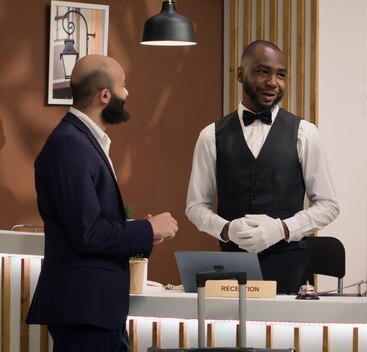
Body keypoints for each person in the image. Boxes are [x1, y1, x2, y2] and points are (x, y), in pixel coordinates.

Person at [26, 55, 179, 352]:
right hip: (85, 310)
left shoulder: (83, 141)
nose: (128, 93)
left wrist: (142, 230)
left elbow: (88, 224)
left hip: (95, 310)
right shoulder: (70, 144)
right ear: (105, 96)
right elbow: (87, 233)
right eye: (123, 86)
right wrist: (147, 228)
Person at [186, 40, 339, 294]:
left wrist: (282, 228)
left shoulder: (305, 133)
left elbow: (328, 205)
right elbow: (195, 206)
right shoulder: (210, 136)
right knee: (231, 335)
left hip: (290, 273)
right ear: (240, 74)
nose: (273, 82)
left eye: (281, 75)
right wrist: (226, 229)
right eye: (263, 71)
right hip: (232, 272)